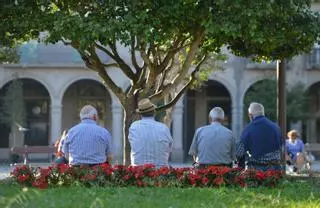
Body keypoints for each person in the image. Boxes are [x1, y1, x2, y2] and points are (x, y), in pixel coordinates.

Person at [236, 102, 281, 171]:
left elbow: (239, 152)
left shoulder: (248, 129)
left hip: (257, 170)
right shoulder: (276, 127)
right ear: (263, 113)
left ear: (250, 115)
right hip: (275, 169)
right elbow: (283, 148)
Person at [128, 98, 173, 168]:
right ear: (154, 112)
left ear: (140, 114)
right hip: (161, 172)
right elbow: (169, 149)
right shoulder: (164, 128)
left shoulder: (134, 127)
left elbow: (132, 145)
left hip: (138, 172)